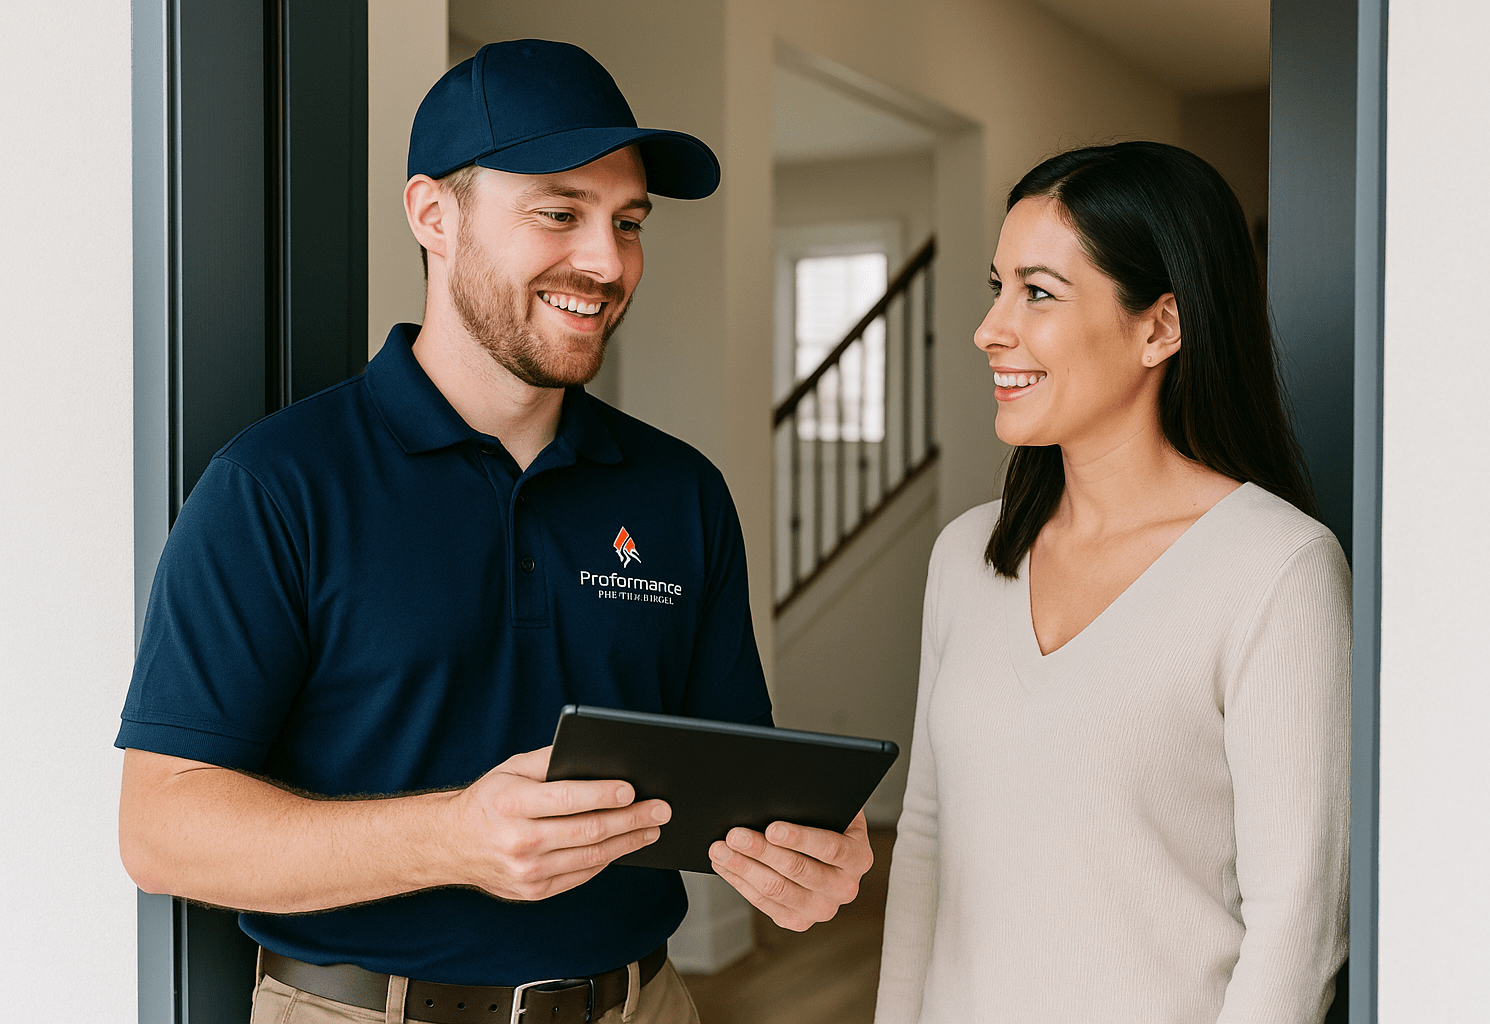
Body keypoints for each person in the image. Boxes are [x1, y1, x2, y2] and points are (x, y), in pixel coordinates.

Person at [117, 40, 872, 1024]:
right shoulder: (276, 482)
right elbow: (161, 828)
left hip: (640, 1006)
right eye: (560, 212)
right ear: (433, 215)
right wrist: (451, 837)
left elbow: (733, 780)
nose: (607, 261)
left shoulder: (682, 492)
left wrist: (805, 850)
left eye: (628, 222)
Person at [874, 142, 1350, 1023]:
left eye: (1039, 292)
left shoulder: (1278, 569)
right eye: (997, 286)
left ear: (1160, 327)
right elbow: (929, 840)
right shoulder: (966, 554)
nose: (991, 328)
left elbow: (1298, 925)